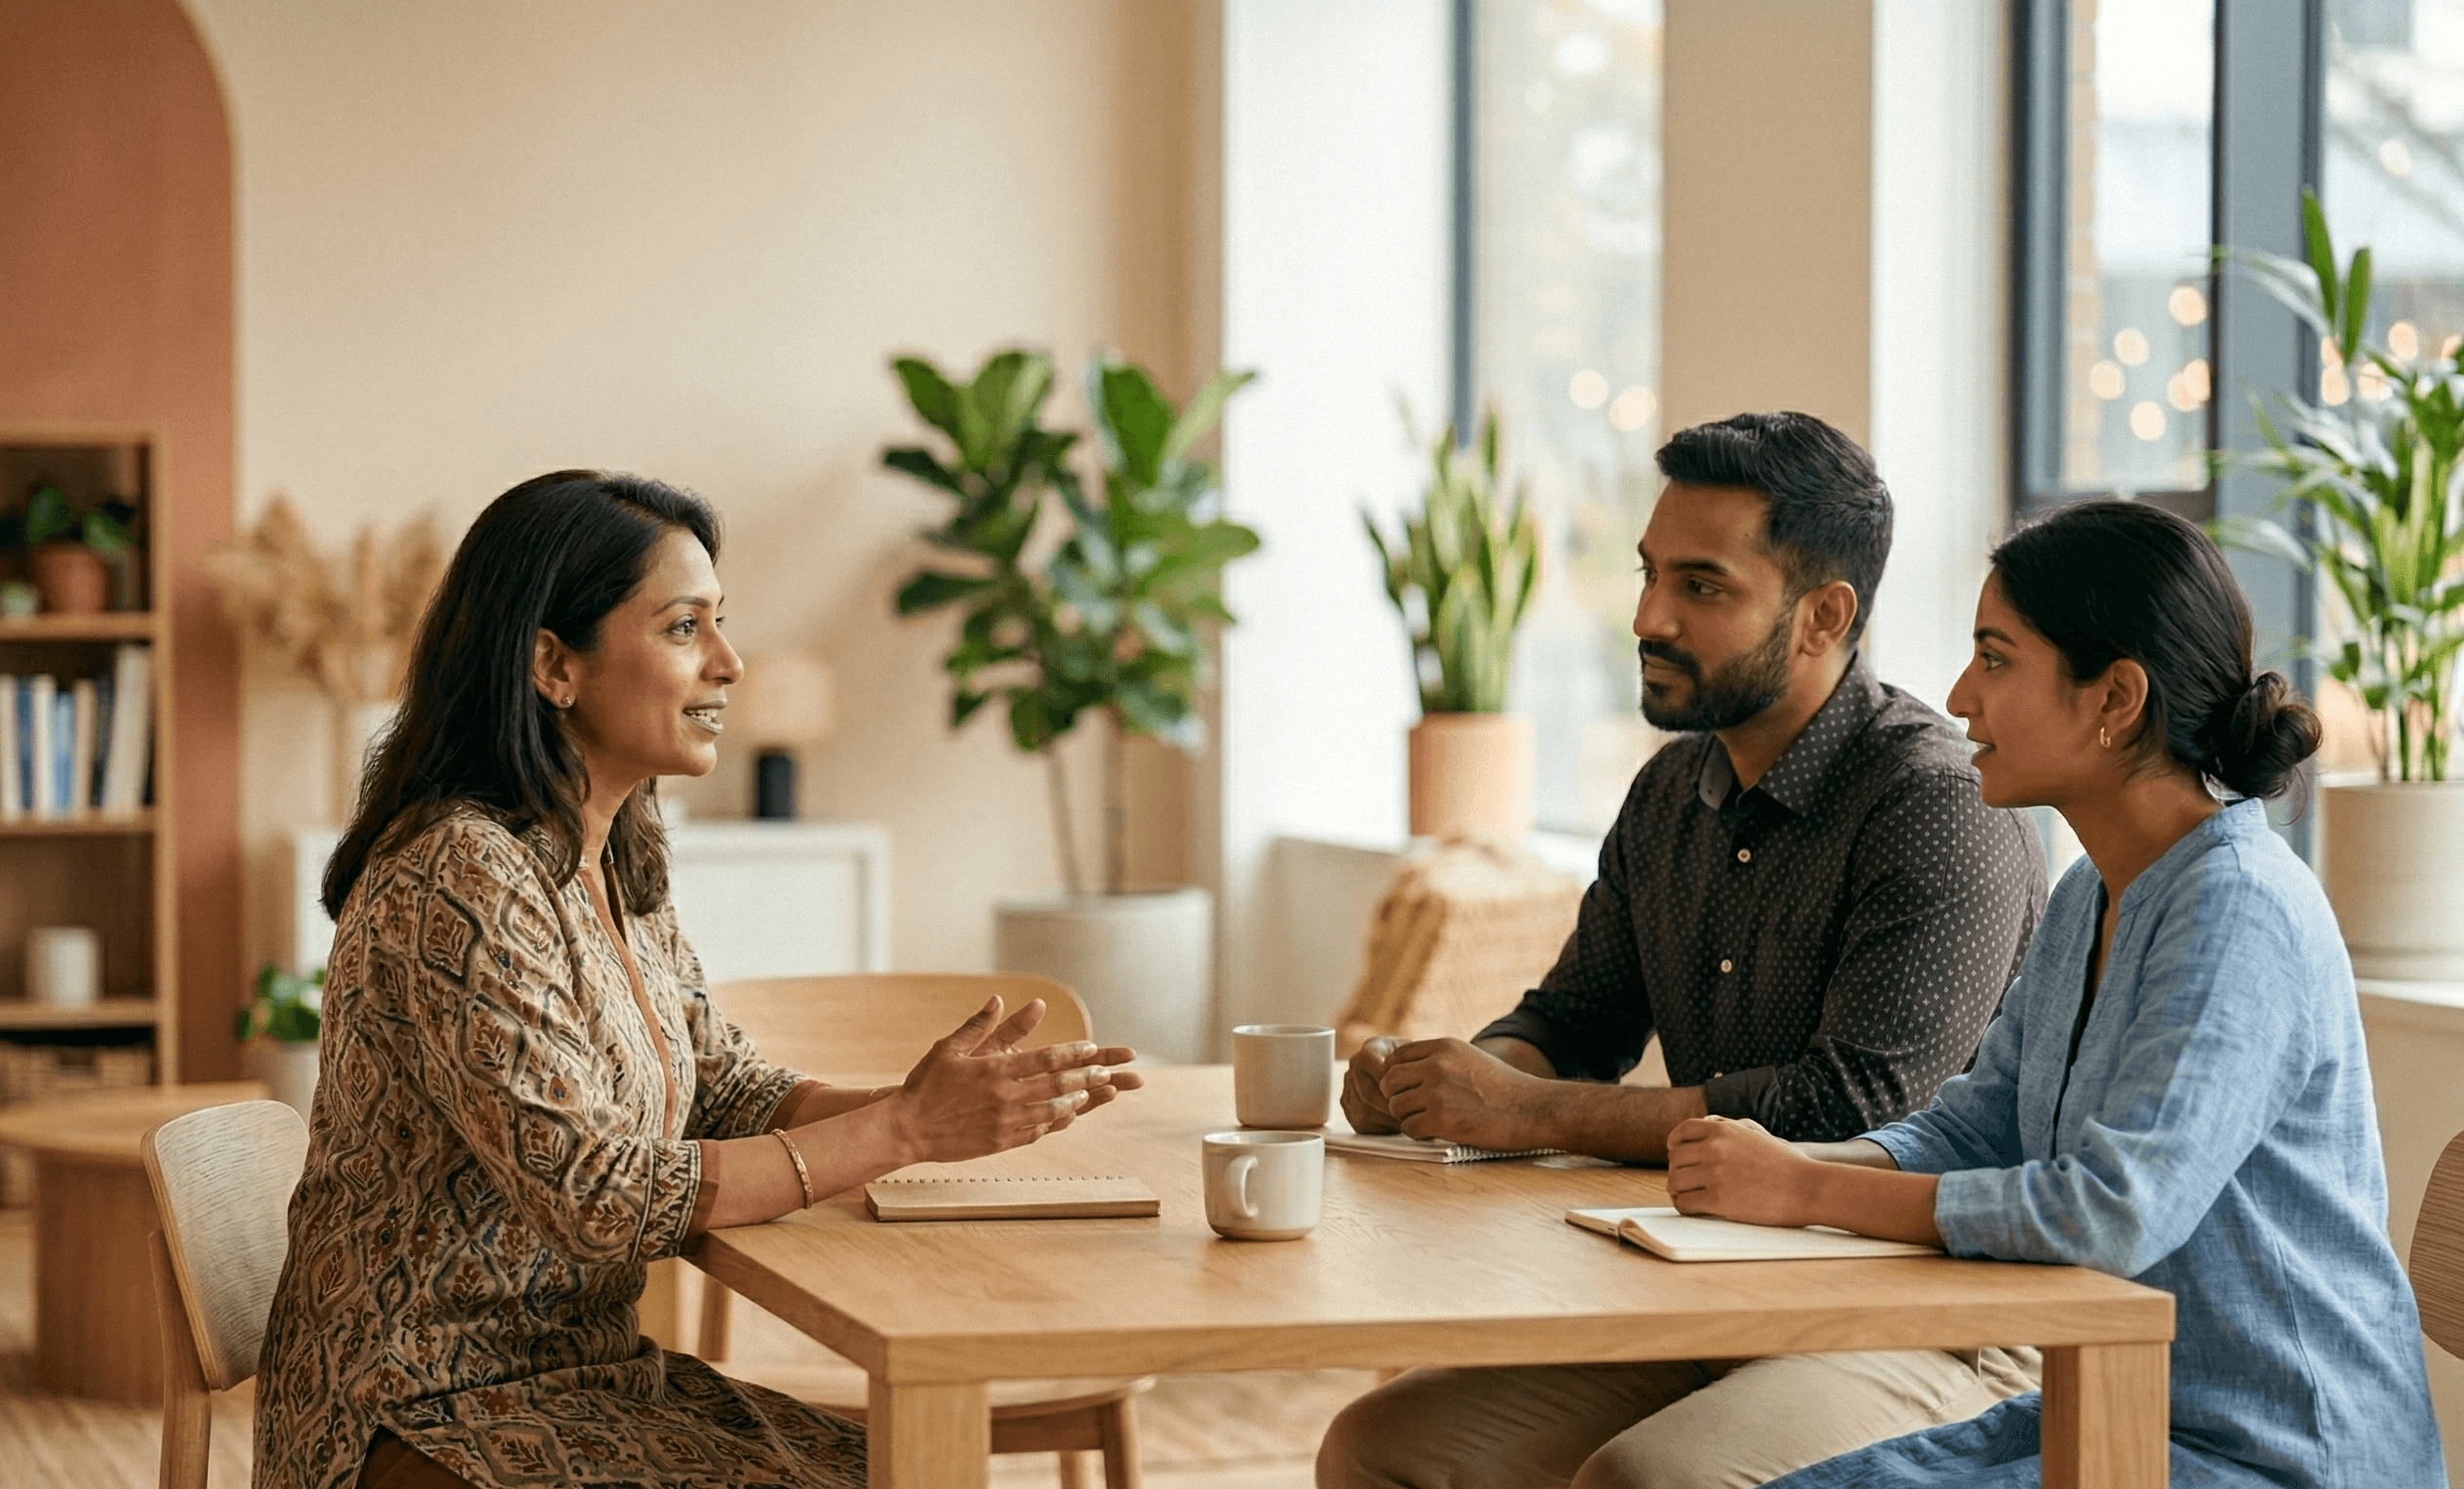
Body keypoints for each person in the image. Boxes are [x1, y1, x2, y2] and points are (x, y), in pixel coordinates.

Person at [253, 472, 1140, 1489]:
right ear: (553, 664)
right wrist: (900, 1131)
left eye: (721, 621)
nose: (729, 660)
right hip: (418, 1410)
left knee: (915, 1472)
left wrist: (936, 1110)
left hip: (580, 1379)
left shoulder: (612, 850)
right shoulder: (461, 872)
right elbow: (595, 1194)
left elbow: (722, 1085)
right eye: (684, 627)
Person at [1320, 412, 2048, 1489]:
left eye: (1701, 586)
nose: (1648, 617)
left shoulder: (1934, 806)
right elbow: (1575, 1021)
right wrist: (1447, 1085)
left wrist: (1525, 1113)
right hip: (1711, 1285)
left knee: (1647, 1481)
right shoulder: (1669, 789)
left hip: (1927, 1316)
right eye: (1650, 573)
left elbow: (1852, 1111)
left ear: (1823, 616)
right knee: (1381, 1448)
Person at [1668, 499, 2445, 1488]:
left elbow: (2111, 1212)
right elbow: (1975, 1127)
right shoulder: (2090, 892)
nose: (1960, 695)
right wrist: (1774, 1168)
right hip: (2119, 1402)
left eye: (1994, 659)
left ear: (2114, 697)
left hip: (2283, 1454)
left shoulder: (2240, 908)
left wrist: (1805, 1190)